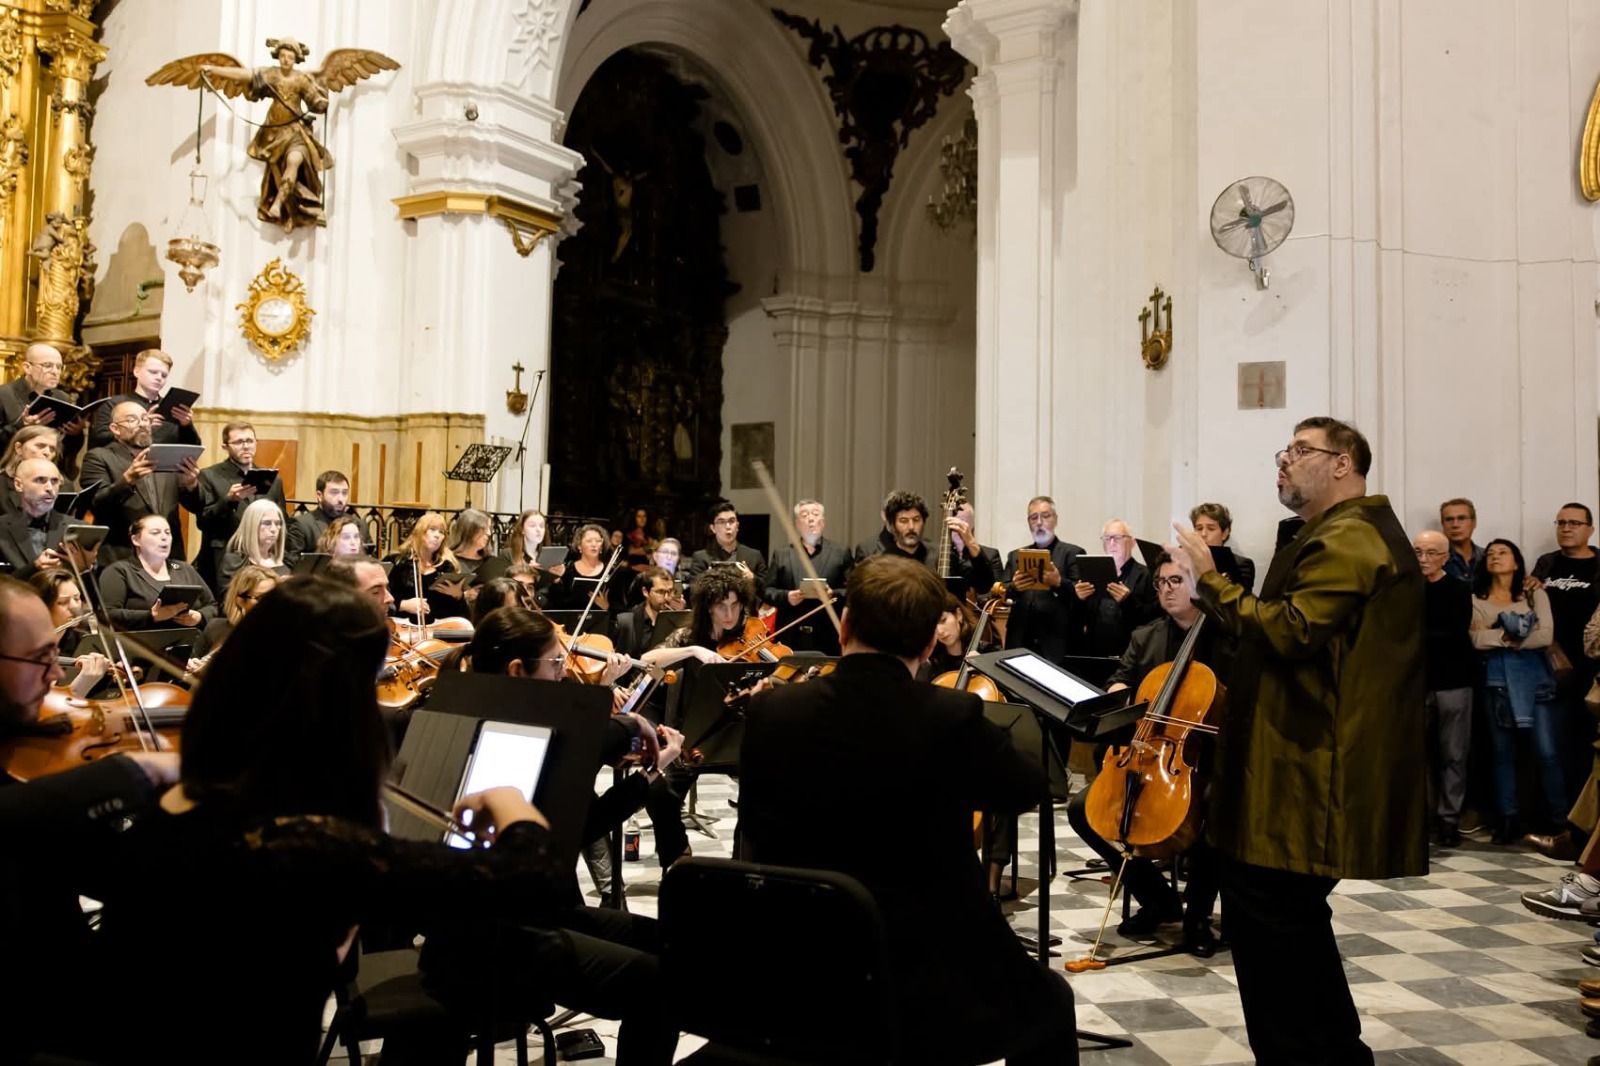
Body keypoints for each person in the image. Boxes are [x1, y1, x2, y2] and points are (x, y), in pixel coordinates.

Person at [77, 577, 579, 1063]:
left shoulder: (176, 807)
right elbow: (533, 882)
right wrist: (514, 808)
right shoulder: (296, 842)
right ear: (339, 708)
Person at [738, 555, 1077, 1066]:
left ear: (845, 624)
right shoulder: (948, 715)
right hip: (925, 975)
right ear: (926, 644)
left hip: (801, 960)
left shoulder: (772, 711)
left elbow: (755, 831)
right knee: (1051, 1000)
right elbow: (1027, 787)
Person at [1173, 415, 1424, 1066]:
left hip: (1309, 778)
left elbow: (1290, 630)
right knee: (1292, 932)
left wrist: (1211, 579)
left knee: (1276, 937)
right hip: (1300, 770)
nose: (1284, 461)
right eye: (1285, 450)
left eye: (1301, 450)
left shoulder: (1352, 536)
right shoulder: (1335, 532)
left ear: (1343, 463)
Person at [0, 574, 180, 1062]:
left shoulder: (32, 753)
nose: (55, 676)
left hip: (63, 990)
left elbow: (111, 869)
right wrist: (135, 771)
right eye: (40, 658)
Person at [1065, 552, 1230, 956]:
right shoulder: (1147, 636)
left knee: (1215, 810)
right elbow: (1120, 677)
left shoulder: (1228, 636)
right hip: (1150, 754)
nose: (1167, 590)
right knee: (1082, 809)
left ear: (1199, 584)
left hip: (1209, 760)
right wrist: (1119, 690)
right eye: (1160, 583)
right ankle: (1158, 900)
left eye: (1176, 581)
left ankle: (1198, 917)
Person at [1470, 538, 1564, 842]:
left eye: (1503, 552)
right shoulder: (1476, 598)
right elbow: (1474, 640)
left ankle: (1561, 821)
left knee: (1547, 752)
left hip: (1536, 683)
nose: (1495, 557)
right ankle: (1508, 819)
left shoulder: (1535, 594)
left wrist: (1498, 637)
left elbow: (1546, 636)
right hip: (1496, 683)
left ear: (1516, 561)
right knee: (1502, 753)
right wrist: (1514, 635)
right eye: (1491, 554)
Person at [1529, 502, 1600, 804]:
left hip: (1591, 670)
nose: (1566, 528)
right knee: (1550, 747)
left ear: (1590, 529)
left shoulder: (1599, 563)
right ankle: (1558, 819)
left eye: (1574, 523)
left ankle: (1583, 824)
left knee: (1587, 746)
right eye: (1561, 523)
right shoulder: (1547, 563)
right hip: (1551, 667)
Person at [80, 400, 202, 565]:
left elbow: (197, 507)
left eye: (145, 419)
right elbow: (96, 504)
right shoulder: (99, 457)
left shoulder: (166, 455)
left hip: (168, 558)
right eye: (132, 420)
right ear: (115, 429)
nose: (142, 424)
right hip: (122, 557)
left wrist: (191, 485)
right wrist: (127, 480)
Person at [1413, 530, 1474, 848]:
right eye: (1418, 552)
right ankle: (1421, 818)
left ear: (1445, 557)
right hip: (1415, 682)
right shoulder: (1405, 590)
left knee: (1453, 753)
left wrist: (1417, 638)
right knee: (1416, 754)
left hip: (1452, 680)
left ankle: (1449, 819)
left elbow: (1454, 633)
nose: (1423, 559)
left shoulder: (1458, 589)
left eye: (1430, 553)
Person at [195, 421, 287, 588]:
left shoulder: (272, 480)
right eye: (239, 442)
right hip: (225, 556)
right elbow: (203, 521)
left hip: (261, 557)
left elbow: (283, 520)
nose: (246, 446)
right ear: (225, 446)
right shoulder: (209, 476)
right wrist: (228, 501)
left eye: (250, 441)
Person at [853, 489, 997, 594]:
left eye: (916, 520)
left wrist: (971, 543)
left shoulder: (942, 556)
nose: (911, 527)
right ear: (892, 525)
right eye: (903, 521)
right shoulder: (879, 563)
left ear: (924, 521)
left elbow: (984, 585)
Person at [97, 514, 216, 632]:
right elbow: (107, 614)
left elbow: (212, 606)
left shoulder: (184, 569)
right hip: (141, 645)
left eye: (167, 532)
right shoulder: (120, 571)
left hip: (190, 643)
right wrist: (151, 616)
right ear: (136, 540)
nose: (164, 537)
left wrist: (199, 617)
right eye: (155, 533)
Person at [762, 498, 851, 654]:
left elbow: (854, 590)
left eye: (815, 514)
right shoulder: (782, 554)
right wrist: (787, 596)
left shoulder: (840, 553)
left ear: (822, 522)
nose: (810, 519)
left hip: (828, 635)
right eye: (804, 515)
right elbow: (766, 591)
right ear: (797, 524)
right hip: (790, 635)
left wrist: (832, 594)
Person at [1002, 495, 1084, 663]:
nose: (1039, 522)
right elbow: (1002, 594)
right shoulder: (1015, 556)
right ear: (1029, 522)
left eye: (1045, 516)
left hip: (1058, 643)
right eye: (1034, 518)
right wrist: (1015, 587)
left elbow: (1081, 599)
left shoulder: (1073, 553)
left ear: (1055, 519)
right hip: (1019, 642)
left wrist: (1059, 583)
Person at [1075, 518, 1159, 660]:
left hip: (1131, 654)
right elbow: (1081, 619)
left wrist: (1128, 601)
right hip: (1096, 654)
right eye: (1107, 539)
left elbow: (1153, 619)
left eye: (1118, 538)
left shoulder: (1147, 575)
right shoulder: (1092, 574)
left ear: (1132, 542)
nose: (1112, 543)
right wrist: (1078, 599)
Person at [0, 458, 96, 578]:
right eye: (40, 480)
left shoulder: (79, 528)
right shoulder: (2, 528)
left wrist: (84, 569)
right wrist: (34, 568)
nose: (50, 488)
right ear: (19, 485)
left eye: (55, 481)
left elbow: (92, 585)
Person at [86, 348, 200, 450]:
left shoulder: (171, 407)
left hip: (163, 470)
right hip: (124, 467)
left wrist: (187, 426)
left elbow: (193, 448)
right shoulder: (114, 404)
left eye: (164, 375)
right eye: (153, 372)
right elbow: (98, 440)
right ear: (136, 371)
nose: (159, 378)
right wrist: (141, 426)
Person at [28, 567, 112, 697]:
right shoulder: (21, 648)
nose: (74, 607)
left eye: (77, 599)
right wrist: (83, 682)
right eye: (63, 602)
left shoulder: (85, 643)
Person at [0, 342, 85, 469]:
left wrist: (76, 433)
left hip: (50, 469)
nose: (55, 372)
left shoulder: (62, 398)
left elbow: (68, 450)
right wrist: (21, 427)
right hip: (10, 469)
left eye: (59, 367)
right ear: (27, 367)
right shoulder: (4, 395)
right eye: (48, 366)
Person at [387, 511, 461, 621]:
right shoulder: (397, 561)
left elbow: (454, 612)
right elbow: (378, 599)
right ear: (419, 532)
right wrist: (402, 605)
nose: (437, 535)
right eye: (432, 529)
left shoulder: (446, 567)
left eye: (441, 532)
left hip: (437, 630)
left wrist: (458, 596)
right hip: (401, 628)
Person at [681, 500, 767, 588]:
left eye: (732, 521)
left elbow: (766, 591)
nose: (728, 526)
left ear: (737, 526)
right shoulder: (701, 558)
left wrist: (752, 578)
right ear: (713, 528)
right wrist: (708, 580)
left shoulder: (754, 556)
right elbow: (694, 592)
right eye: (722, 522)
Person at [217, 497, 290, 590]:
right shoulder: (234, 562)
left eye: (278, 523)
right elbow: (228, 600)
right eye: (267, 523)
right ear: (251, 525)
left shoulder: (284, 560)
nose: (273, 529)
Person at [285, 469, 358, 558]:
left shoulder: (358, 524)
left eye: (344, 493)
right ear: (319, 495)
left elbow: (371, 558)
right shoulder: (302, 525)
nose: (341, 499)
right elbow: (292, 563)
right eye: (334, 493)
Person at [615, 566, 680, 659]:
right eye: (660, 592)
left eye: (670, 592)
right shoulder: (627, 621)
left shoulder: (677, 620)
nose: (666, 597)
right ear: (645, 592)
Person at [1189, 502, 1256, 592]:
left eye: (1211, 529)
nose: (1203, 534)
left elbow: (1241, 601)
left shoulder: (1242, 565)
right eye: (1199, 528)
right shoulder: (1186, 559)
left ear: (1224, 533)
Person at [548, 522, 612, 612]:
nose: (594, 544)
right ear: (579, 546)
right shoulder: (568, 570)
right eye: (589, 541)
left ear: (602, 547)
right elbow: (556, 603)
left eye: (598, 541)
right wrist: (557, 580)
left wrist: (607, 607)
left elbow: (619, 606)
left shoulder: (610, 572)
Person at [0, 424, 62, 514]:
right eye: (40, 446)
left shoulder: (63, 485)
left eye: (52, 449)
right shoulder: (2, 483)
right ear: (19, 448)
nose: (47, 452)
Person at [1440, 497, 1484, 583]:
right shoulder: (1434, 560)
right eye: (1449, 519)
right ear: (1442, 524)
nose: (1455, 525)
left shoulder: (1486, 557)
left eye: (1461, 518)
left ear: (1474, 523)